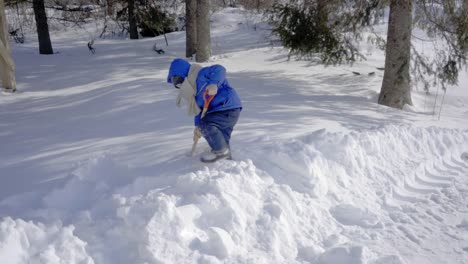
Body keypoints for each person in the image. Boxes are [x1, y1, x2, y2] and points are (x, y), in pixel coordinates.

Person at [167, 58, 242, 162]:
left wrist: (214, 84)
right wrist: (197, 126)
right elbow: (200, 111)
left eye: (177, 79)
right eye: (176, 84)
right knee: (221, 138)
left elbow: (220, 69)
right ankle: (226, 162)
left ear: (183, 73)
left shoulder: (201, 73)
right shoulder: (194, 92)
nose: (179, 84)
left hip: (226, 106)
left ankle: (220, 151)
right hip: (222, 110)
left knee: (206, 125)